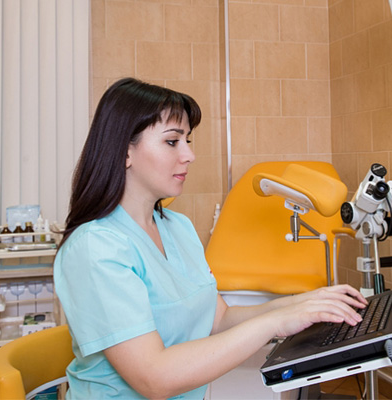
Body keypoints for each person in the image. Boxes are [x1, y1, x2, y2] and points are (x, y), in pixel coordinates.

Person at [54, 77, 367, 399]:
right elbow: (154, 377)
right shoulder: (96, 248)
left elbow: (219, 318)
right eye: (172, 141)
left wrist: (302, 304)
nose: (189, 155)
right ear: (125, 152)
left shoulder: (177, 227)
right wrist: (276, 322)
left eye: (188, 140)